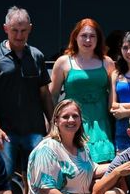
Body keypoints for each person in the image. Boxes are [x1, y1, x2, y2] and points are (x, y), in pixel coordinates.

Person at [0, 7, 53, 180]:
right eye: (14, 30)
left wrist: (53, 124)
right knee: (3, 179)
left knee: (37, 179)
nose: (19, 36)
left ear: (30, 29)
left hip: (35, 131)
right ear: (5, 28)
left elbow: (45, 94)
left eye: (23, 31)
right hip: (5, 133)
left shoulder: (37, 56)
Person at [50, 18, 116, 163]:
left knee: (105, 166)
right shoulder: (63, 62)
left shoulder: (108, 62)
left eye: (92, 36)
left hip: (102, 123)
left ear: (98, 39)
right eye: (83, 36)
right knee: (76, 165)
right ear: (75, 37)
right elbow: (53, 96)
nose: (88, 40)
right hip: (73, 122)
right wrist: (51, 125)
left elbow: (114, 97)